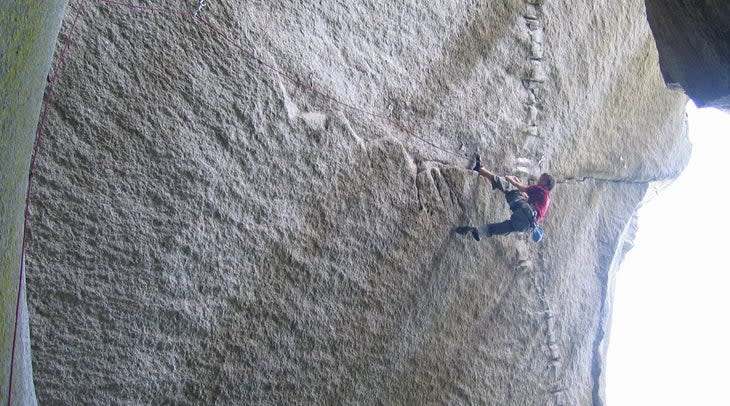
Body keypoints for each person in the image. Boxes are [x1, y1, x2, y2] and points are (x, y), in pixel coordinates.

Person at [455, 155, 555, 241]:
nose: (539, 180)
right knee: (505, 228)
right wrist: (524, 196)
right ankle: (479, 232)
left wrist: (511, 179)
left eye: (542, 179)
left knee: (509, 188)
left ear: (546, 184)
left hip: (526, 212)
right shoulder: (547, 198)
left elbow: (520, 187)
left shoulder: (541, 189)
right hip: (527, 226)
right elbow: (535, 207)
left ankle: (480, 169)